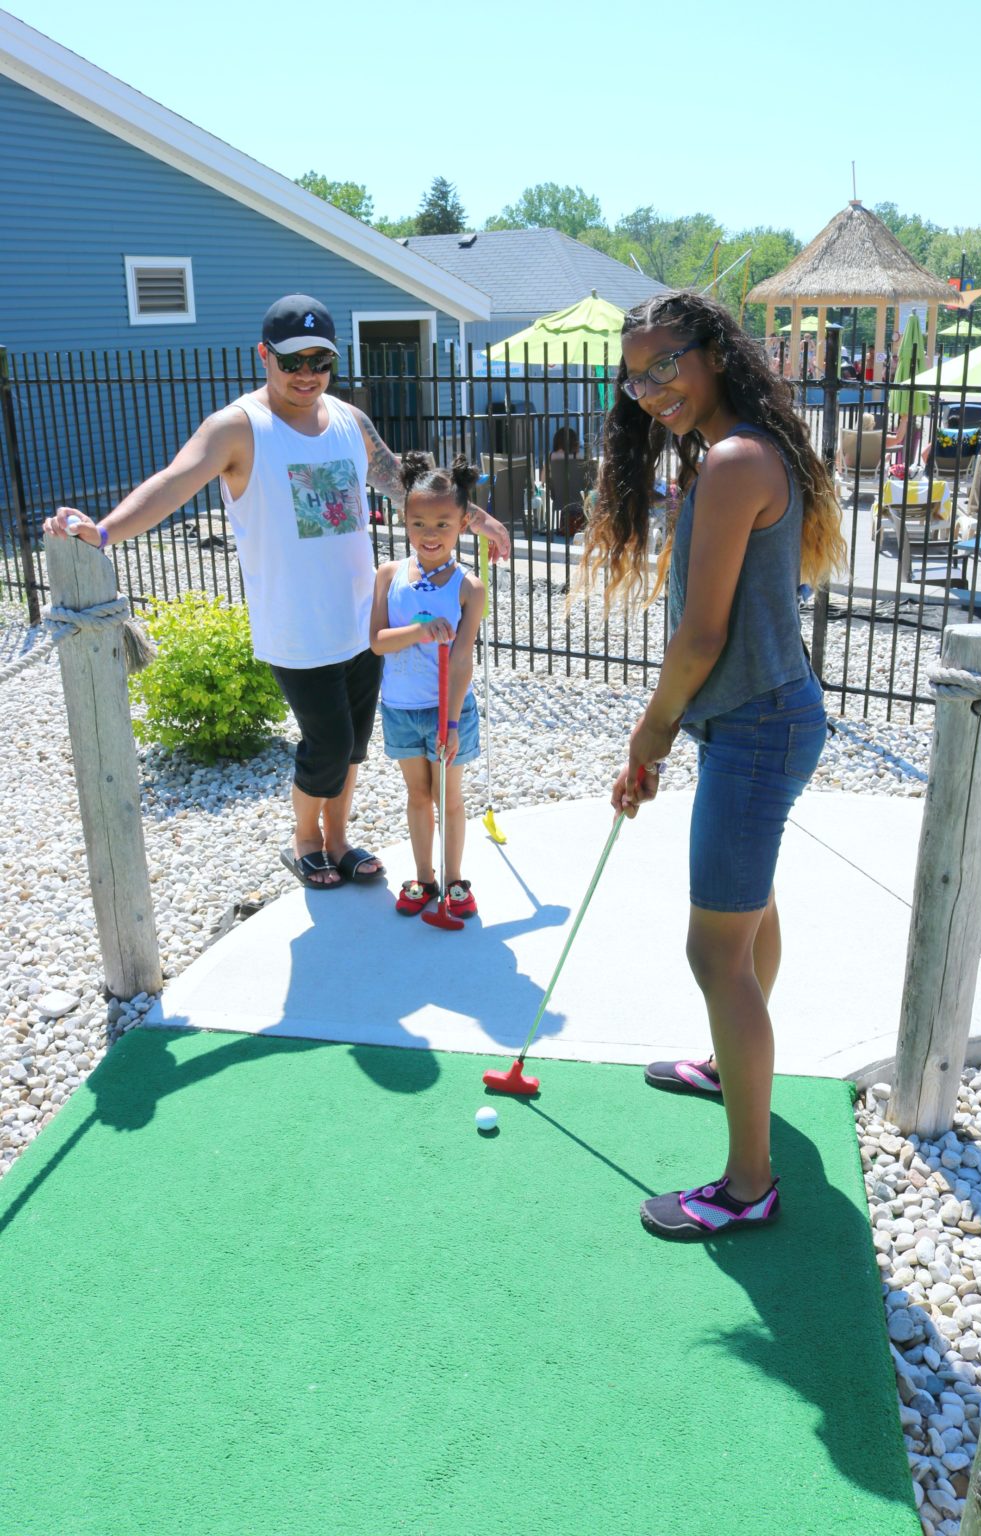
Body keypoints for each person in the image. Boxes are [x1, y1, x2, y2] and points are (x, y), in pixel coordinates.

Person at [43, 294, 509, 890]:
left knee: (357, 746)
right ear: (265, 355)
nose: (307, 374)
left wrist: (480, 520)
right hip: (295, 627)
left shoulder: (349, 421)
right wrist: (103, 531)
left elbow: (411, 490)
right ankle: (304, 842)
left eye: (320, 360)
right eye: (293, 361)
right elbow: (172, 483)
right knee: (327, 743)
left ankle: (338, 841)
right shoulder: (238, 428)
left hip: (362, 621)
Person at [576, 290, 846, 1242]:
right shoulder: (738, 452)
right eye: (633, 377)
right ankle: (736, 1069)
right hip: (764, 719)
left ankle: (746, 1186)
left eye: (665, 367)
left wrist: (648, 737)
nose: (650, 391)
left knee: (711, 952)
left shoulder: (734, 461)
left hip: (758, 725)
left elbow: (701, 636)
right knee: (749, 910)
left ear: (713, 353)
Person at [370, 454, 485, 919]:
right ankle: (424, 877)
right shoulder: (389, 576)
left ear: (461, 523)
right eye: (419, 523)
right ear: (403, 520)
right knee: (417, 796)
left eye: (442, 522)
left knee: (447, 797)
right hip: (399, 707)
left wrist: (452, 722)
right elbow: (377, 643)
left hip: (446, 709)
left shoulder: (468, 587)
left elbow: (462, 660)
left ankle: (454, 881)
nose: (430, 534)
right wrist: (421, 631)